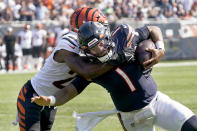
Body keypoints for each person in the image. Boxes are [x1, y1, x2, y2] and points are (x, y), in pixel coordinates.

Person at [32, 21, 197, 131]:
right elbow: (69, 91)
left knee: (193, 125)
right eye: (95, 47)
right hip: (132, 119)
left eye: (102, 41)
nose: (101, 48)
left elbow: (153, 29)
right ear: (87, 51)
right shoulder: (91, 68)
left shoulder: (124, 35)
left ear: (107, 34)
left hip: (158, 102)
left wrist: (160, 49)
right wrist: (51, 100)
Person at [16, 7, 121, 131]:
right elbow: (85, 71)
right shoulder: (69, 41)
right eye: (99, 25)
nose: (102, 30)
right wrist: (117, 58)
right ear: (86, 26)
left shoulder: (91, 45)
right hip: (32, 95)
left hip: (51, 100)